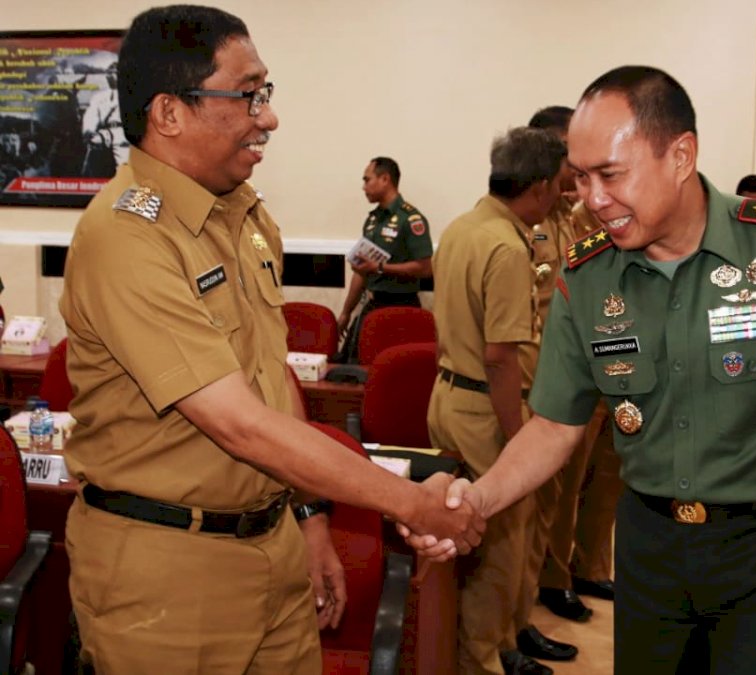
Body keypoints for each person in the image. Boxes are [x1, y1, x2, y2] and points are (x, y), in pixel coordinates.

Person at [415, 65, 756, 674]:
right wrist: (477, 499)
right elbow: (554, 426)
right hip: (651, 549)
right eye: (581, 179)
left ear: (680, 155)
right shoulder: (587, 276)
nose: (592, 200)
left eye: (611, 175)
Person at [57, 6, 482, 673]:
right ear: (169, 112)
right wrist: (412, 501)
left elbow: (269, 374)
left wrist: (312, 519)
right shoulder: (127, 234)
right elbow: (240, 423)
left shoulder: (244, 216)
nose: (269, 116)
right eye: (248, 94)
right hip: (169, 572)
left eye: (267, 92)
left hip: (275, 547)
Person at [426, 126, 568, 675]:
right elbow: (500, 357)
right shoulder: (509, 247)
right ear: (536, 187)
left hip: (450, 396)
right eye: (558, 185)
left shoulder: (463, 227)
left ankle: (483, 648)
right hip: (489, 407)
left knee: (471, 543)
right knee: (498, 551)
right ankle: (481, 662)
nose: (561, 197)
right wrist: (519, 440)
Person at [527, 106, 621, 625]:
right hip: (562, 373)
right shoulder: (532, 222)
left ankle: (591, 564)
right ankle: (555, 577)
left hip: (606, 361)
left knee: (606, 475)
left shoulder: (580, 213)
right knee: (561, 488)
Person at [335, 156, 433, 363]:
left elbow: (425, 268)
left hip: (402, 306)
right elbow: (361, 273)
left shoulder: (411, 219)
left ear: (385, 179)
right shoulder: (372, 220)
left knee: (399, 370)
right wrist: (345, 313)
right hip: (373, 303)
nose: (363, 187)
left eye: (367, 180)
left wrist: (380, 267)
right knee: (350, 366)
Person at [80, 61, 130, 176]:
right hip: (104, 135)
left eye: (116, 74)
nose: (111, 77)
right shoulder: (99, 97)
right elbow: (91, 115)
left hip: (123, 134)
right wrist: (89, 132)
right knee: (92, 169)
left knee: (126, 171)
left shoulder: (132, 95)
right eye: (109, 74)